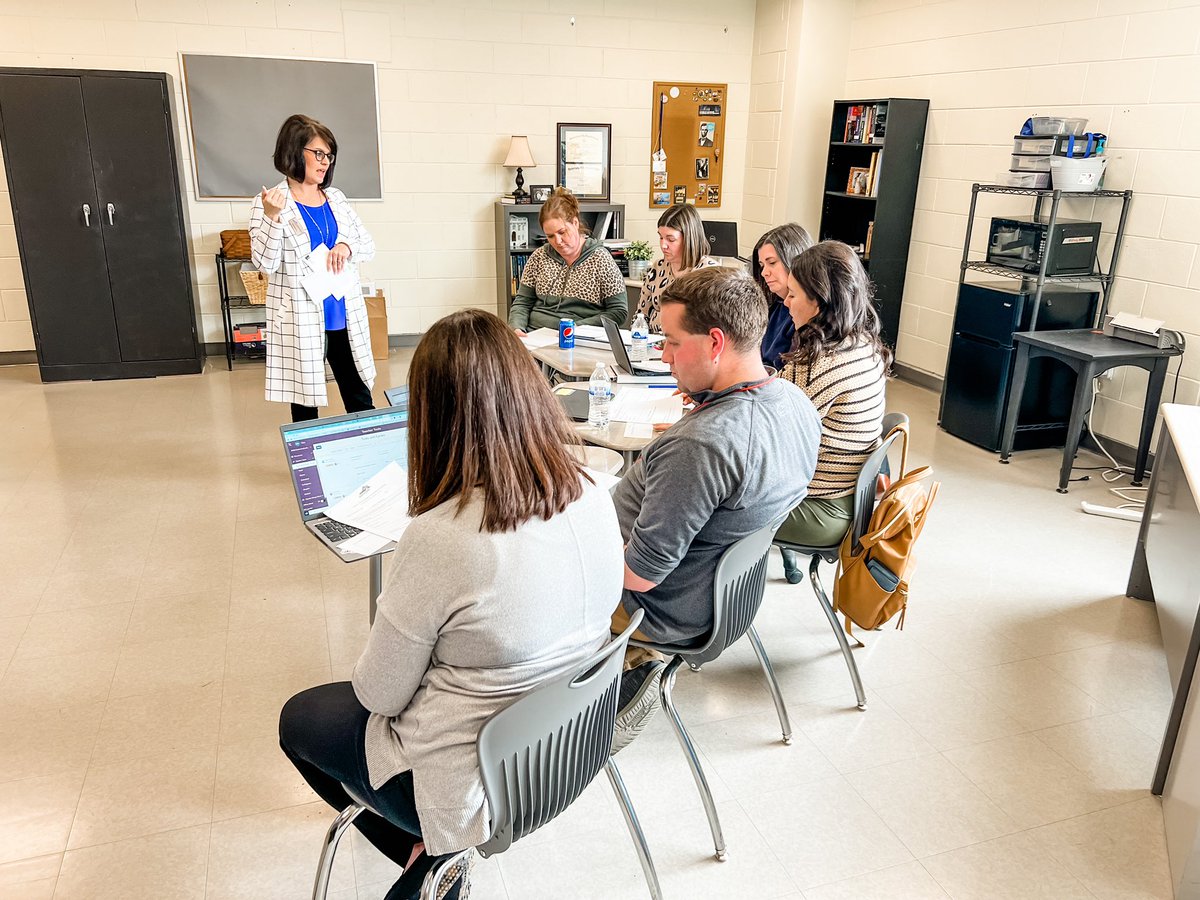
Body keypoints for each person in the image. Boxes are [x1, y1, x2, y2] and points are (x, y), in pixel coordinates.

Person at [278, 310, 623, 899]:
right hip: (565, 749)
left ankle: (431, 860)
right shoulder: (592, 486)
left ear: (432, 418)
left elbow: (379, 696)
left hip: (477, 779)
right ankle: (430, 859)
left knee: (300, 718)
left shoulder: (441, 536)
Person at [608, 267, 822, 747]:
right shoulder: (794, 402)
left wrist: (570, 544)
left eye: (671, 341)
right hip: (721, 600)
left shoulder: (700, 448)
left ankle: (619, 678)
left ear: (716, 342)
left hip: (647, 609)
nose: (663, 356)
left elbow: (640, 574)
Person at [775, 241, 890, 584]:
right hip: (852, 500)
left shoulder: (818, 364)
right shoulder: (862, 344)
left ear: (819, 301)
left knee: (709, 505)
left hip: (822, 509)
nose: (785, 302)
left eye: (793, 294)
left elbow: (766, 440)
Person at [250, 114, 378, 423]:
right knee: (305, 401)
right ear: (294, 151)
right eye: (318, 153)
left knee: (358, 393)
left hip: (342, 311)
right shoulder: (268, 202)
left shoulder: (335, 198)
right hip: (302, 316)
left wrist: (346, 246)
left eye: (329, 155)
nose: (325, 162)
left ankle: (370, 453)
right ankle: (311, 464)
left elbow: (367, 244)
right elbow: (264, 262)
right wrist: (272, 217)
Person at [508, 187, 628, 334]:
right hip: (534, 335)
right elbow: (522, 303)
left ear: (575, 223)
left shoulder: (600, 259)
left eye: (562, 232)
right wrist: (517, 328)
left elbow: (619, 312)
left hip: (578, 336)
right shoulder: (539, 257)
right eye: (550, 236)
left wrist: (575, 327)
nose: (557, 241)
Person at [633, 204, 721, 332]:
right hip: (652, 346)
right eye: (661, 237)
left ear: (689, 239)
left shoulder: (710, 274)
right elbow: (641, 315)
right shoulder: (658, 267)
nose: (663, 245)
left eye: (670, 239)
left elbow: (712, 326)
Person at [752, 223, 815, 372]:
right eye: (762, 266)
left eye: (772, 263)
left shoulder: (805, 314)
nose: (764, 273)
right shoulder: (772, 305)